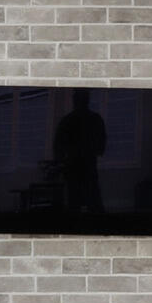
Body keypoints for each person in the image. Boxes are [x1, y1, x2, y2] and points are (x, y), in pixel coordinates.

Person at [52, 89, 107, 217]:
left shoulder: (67, 120)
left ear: (75, 101)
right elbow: (101, 143)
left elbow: (58, 145)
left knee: (75, 201)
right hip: (87, 165)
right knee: (93, 200)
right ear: (87, 100)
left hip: (73, 165)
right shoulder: (95, 119)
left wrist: (59, 161)